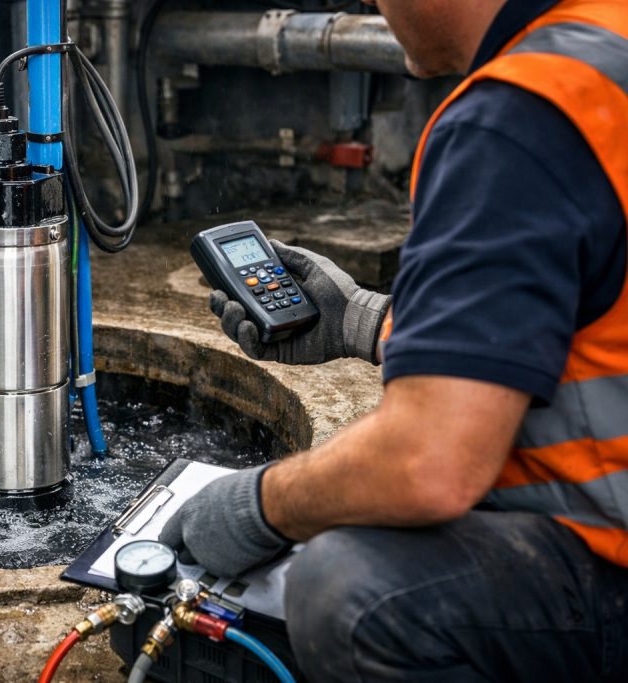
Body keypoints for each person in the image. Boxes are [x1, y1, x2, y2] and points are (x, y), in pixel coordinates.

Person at [159, 0, 628, 680]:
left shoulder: (517, 115)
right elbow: (580, 317)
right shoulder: (604, 43)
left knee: (352, 590)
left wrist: (258, 505)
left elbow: (429, 464)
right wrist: (362, 319)